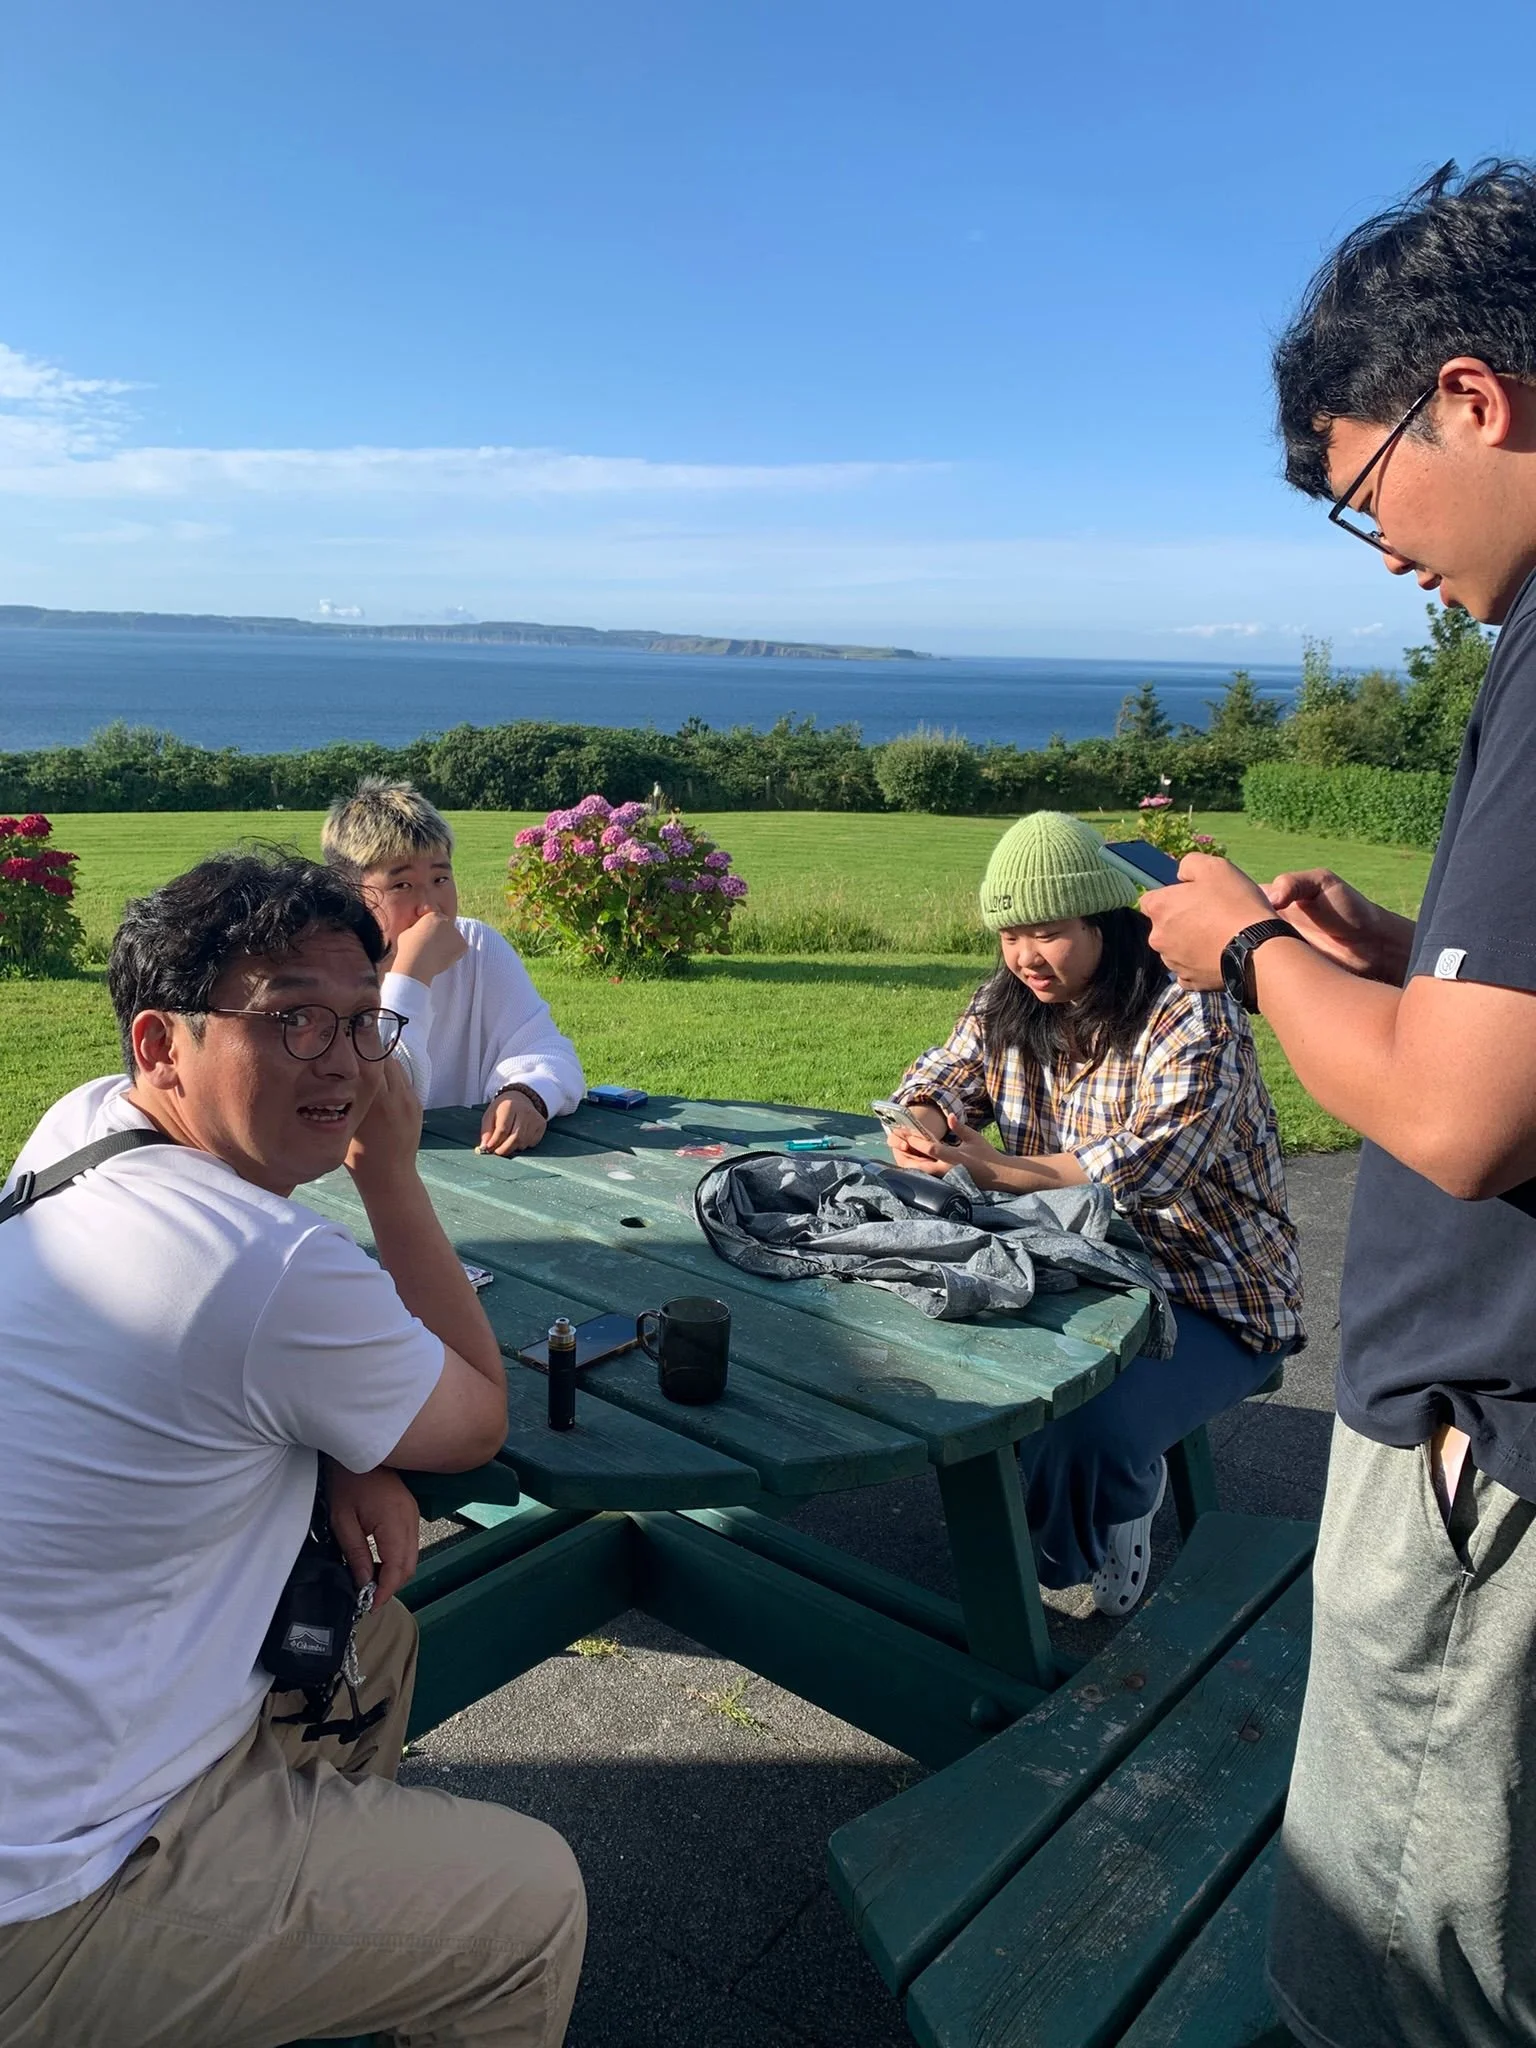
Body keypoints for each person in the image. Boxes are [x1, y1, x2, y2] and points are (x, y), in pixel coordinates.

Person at [1141, 159, 1536, 2048]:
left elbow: (1459, 1125)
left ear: (1473, 395)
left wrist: (1237, 949)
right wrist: (1405, 946)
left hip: (1488, 1434)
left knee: (1399, 1968)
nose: (1377, 549)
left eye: (1364, 487)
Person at [0, 851, 585, 2048]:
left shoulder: (79, 1126)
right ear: (162, 1043)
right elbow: (477, 1417)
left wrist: (338, 1454)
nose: (347, 1062)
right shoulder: (259, 1264)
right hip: (54, 1887)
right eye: (293, 1020)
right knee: (533, 1900)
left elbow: (188, 1367)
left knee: (371, 1634)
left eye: (367, 1022)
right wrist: (392, 1172)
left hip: (51, 1734)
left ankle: (289, 1946)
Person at [887, 810, 1302, 1615]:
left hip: (1210, 1287)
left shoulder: (1192, 1012)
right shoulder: (1010, 999)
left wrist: (1000, 1169)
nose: (1024, 957)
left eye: (1045, 932)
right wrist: (926, 1122)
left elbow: (1151, 1166)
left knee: (1085, 1435)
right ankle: (1050, 1509)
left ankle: (1113, 1505)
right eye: (1008, 935)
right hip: (1073, 1264)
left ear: (1107, 921)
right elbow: (944, 1073)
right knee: (932, 1344)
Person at [322, 779, 585, 1155]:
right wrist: (412, 975)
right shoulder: (324, 968)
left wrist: (528, 1093)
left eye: (440, 879)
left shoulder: (477, 946)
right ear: (350, 892)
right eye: (402, 885)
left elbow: (550, 1050)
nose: (430, 906)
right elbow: (380, 1105)